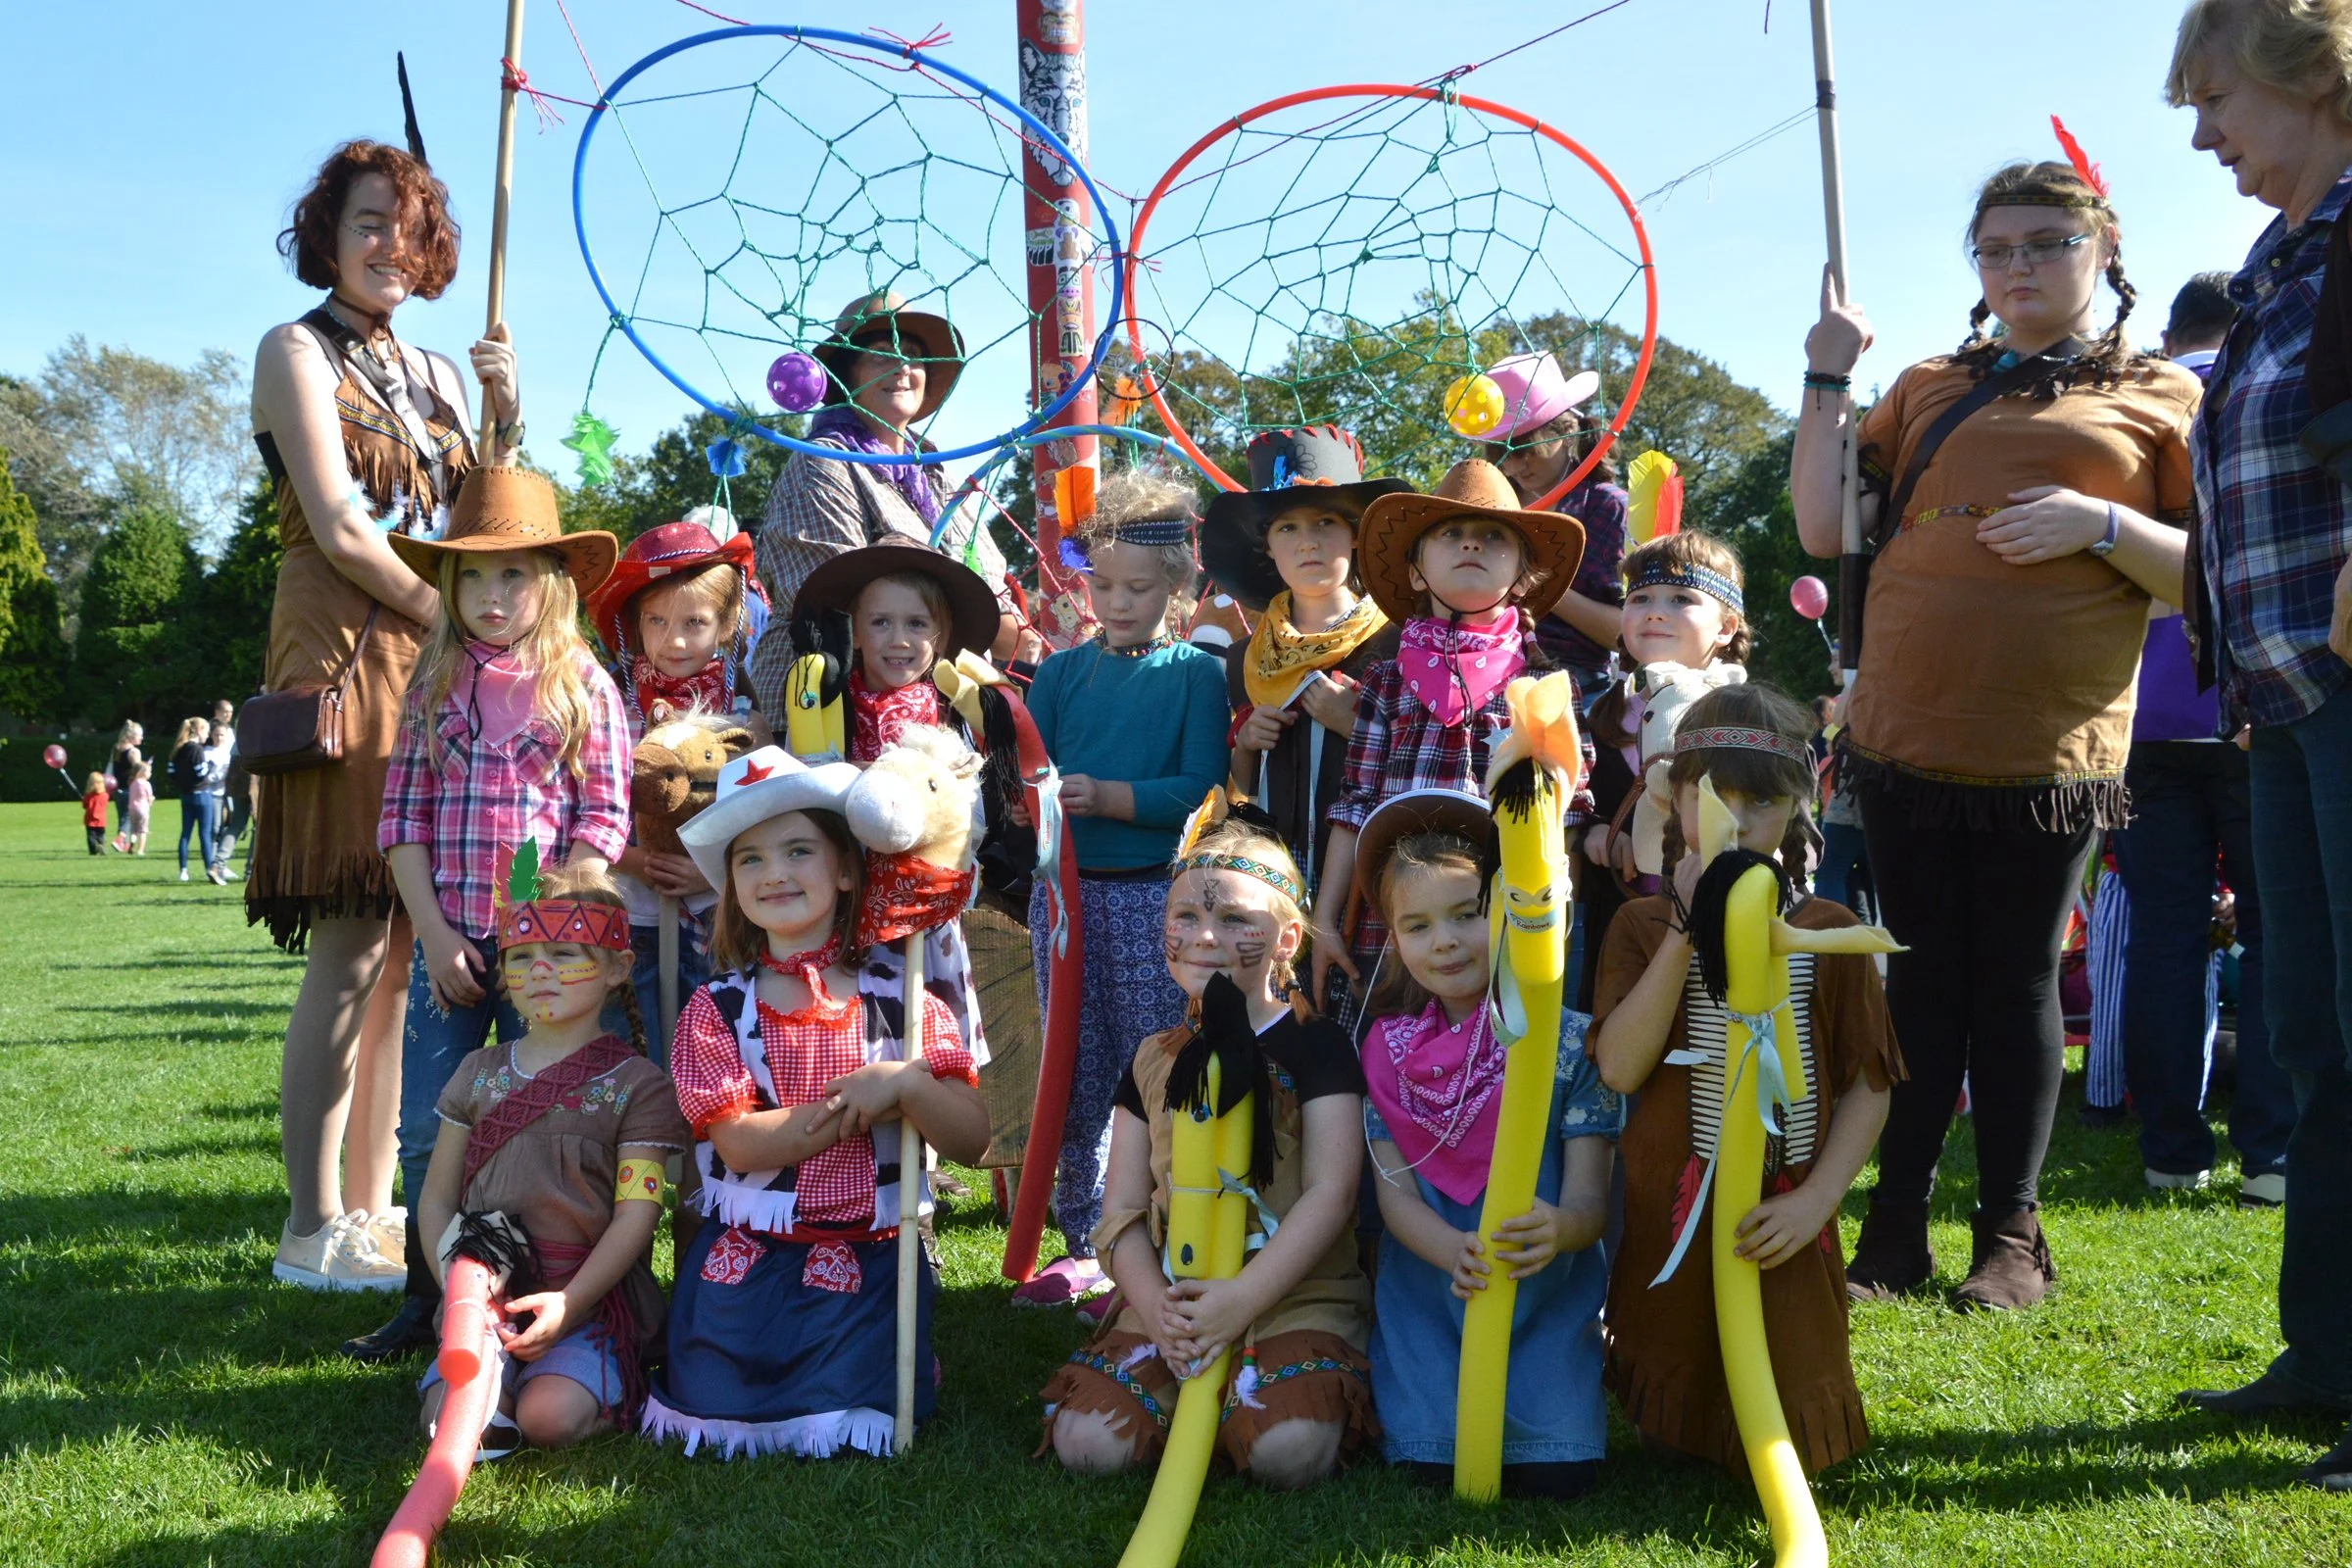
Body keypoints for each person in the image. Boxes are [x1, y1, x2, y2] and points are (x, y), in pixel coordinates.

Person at [1791, 149, 2195, 1309]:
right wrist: (1827, 376)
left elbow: (2201, 576)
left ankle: (2010, 1238)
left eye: (2047, 244)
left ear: (2103, 250)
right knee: (1919, 980)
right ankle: (1895, 1230)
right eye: (1997, 249)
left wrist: (2099, 521)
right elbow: (1825, 528)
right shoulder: (1922, 382)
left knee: (2017, 982)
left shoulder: (2163, 395)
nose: (2018, 266)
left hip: (2050, 747)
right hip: (1904, 733)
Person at [252, 139, 522, 1313]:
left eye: (407, 230)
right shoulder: (293, 350)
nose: (387, 248)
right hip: (349, 653)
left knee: (414, 947)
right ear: (328, 230)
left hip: (440, 659)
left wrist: (504, 422)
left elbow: (478, 520)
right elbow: (345, 525)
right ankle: (310, 1220)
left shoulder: (440, 374)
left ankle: (374, 1208)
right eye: (368, 222)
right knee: (352, 942)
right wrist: (452, 620)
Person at [2166, 0, 2352, 1487]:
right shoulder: (2284, 261)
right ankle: (2330, 1359)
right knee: (2314, 1039)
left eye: (2217, 95)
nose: (2203, 131)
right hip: (2287, 702)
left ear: (2315, 79)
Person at [1592, 683, 1900, 1475]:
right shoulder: (1638, 925)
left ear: (1797, 809)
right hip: (1673, 1210)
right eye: (1713, 797)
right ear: (1676, 800)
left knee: (1797, 1442)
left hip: (1783, 1210)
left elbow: (1871, 1084)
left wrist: (1816, 1201)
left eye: (1758, 802)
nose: (1735, 821)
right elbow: (1622, 1067)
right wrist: (1689, 934)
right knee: (1676, 1440)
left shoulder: (1828, 934)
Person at [646, 747, 987, 1457]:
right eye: (751, 860)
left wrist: (910, 1084)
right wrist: (862, 1101)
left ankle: (897, 1356)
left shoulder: (907, 1004)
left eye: (798, 850)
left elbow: (970, 1141)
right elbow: (738, 1142)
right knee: (715, 1401)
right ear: (732, 885)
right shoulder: (717, 1007)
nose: (774, 873)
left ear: (843, 869)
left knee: (854, 1412)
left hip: (871, 1259)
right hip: (748, 1257)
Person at [368, 466, 629, 1356]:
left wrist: (553, 925)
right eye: (471, 575)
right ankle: (428, 1288)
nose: (490, 594)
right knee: (424, 1124)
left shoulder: (582, 685)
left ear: (552, 581)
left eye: (512, 573)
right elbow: (401, 819)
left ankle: (567, 1285)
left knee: (553, 1114)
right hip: (452, 943)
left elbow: (603, 815)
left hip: (546, 948)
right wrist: (435, 936)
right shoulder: (433, 685)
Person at [1040, 807, 1377, 1489]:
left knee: (1288, 1454)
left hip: (1292, 1294)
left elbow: (1331, 1193)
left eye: (1235, 921)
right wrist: (1159, 1311)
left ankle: (1243, 1403)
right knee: (1085, 1444)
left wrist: (1243, 1298)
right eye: (1186, 918)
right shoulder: (1151, 1059)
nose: (1206, 937)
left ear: (1286, 939)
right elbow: (1123, 1208)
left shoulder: (1318, 1046)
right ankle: (1191, 1393)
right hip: (1174, 1296)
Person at [1354, 789, 1619, 1497]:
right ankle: (1423, 1414)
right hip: (1430, 1297)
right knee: (1426, 1471)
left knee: (1557, 1477)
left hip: (1545, 1301)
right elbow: (1393, 1191)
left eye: (1466, 915)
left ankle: (1549, 1414)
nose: (1444, 941)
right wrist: (1447, 1250)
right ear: (1395, 939)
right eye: (1417, 925)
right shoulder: (1383, 1053)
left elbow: (1593, 1196)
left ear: (1506, 910)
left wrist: (1562, 1227)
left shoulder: (1570, 1043)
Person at [1015, 473, 1232, 1309]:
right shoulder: (1062, 673)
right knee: (1072, 1065)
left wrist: (1110, 798)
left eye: (1137, 588)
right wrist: (1035, 794)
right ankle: (1086, 1243)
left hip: (1153, 898)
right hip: (1066, 900)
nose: (1117, 602)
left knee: (1155, 1064)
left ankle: (1166, 1228)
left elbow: (1204, 792)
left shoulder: (1193, 677)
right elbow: (1030, 778)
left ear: (1177, 585)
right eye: (1101, 584)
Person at [2097, 269, 2290, 1198]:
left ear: (2171, 333)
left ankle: (2172, 1149)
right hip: (2255, 700)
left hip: (2139, 716)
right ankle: (2272, 1150)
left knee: (2164, 938)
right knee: (2277, 929)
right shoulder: (2263, 378)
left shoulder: (2131, 407)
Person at [412, 863, 689, 1451]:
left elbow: (637, 1215)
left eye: (564, 954)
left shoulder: (639, 1087)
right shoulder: (476, 1073)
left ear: (618, 968)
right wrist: (462, 1296)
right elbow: (436, 1199)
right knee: (450, 1419)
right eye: (520, 955)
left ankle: (586, 1383)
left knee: (548, 1420)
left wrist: (569, 1303)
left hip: (587, 1302)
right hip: (482, 1299)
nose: (540, 970)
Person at [1311, 460, 1590, 1028]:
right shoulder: (1386, 679)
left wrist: (1551, 930)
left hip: (1500, 921)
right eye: (1450, 534)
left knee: (1494, 1084)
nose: (1472, 545)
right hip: (1391, 925)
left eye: (1494, 537)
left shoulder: (1542, 686)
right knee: (1380, 1067)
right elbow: (1352, 805)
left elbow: (1568, 816)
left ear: (1521, 576)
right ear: (1416, 572)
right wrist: (1323, 921)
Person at [746, 290, 1008, 718]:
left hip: (939, 714)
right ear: (847, 376)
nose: (903, 368)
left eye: (914, 356)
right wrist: (973, 614)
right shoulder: (822, 463)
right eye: (882, 356)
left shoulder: (938, 476)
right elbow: (838, 602)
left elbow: (996, 591)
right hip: (829, 718)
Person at [585, 518, 768, 1063]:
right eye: (656, 621)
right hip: (630, 913)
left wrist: (711, 870)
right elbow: (582, 805)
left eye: (695, 621)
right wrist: (634, 857)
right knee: (637, 1057)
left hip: (720, 919)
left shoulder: (746, 720)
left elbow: (762, 817)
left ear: (727, 622)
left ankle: (706, 1151)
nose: (675, 640)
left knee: (715, 1052)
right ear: (633, 627)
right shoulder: (612, 709)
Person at [1200, 426, 1409, 898]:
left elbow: (1424, 763)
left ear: (1357, 537)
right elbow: (1242, 789)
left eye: (1325, 524)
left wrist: (1353, 726)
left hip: (1368, 883)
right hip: (1270, 883)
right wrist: (1247, 746)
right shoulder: (1244, 660)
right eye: (1287, 528)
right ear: (1268, 548)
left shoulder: (1398, 646)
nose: (1307, 542)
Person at [1575, 530, 1749, 1011]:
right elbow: (1583, 797)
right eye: (1640, 598)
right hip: (1625, 923)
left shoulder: (1746, 716)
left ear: (1726, 627)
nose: (1655, 611)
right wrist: (1594, 831)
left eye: (1681, 599)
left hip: (1721, 921)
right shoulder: (1598, 717)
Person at [1479, 353, 1630, 701]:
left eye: (1524, 448)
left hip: (1575, 689)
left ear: (1563, 430)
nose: (1515, 465)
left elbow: (1624, 634)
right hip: (1484, 678)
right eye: (1502, 452)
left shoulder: (1605, 505)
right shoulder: (1495, 504)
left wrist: (1540, 583)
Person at [169, 716, 219, 885]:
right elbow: (200, 772)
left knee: (185, 834)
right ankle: (208, 868)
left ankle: (183, 870)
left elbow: (171, 773)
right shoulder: (197, 749)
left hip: (186, 795)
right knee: (205, 834)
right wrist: (211, 765)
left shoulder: (178, 748)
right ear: (198, 731)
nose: (207, 734)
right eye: (205, 730)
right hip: (202, 795)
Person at [198, 720, 235, 885]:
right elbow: (206, 777)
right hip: (213, 794)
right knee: (215, 828)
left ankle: (221, 865)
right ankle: (212, 862)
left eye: (222, 735)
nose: (220, 738)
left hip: (228, 794)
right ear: (211, 735)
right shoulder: (207, 753)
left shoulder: (229, 753)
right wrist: (221, 775)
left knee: (227, 827)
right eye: (217, 735)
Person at [107, 720, 144, 852]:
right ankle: (120, 838)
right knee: (129, 816)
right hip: (130, 788)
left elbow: (111, 766)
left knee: (122, 816)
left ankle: (123, 844)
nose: (141, 738)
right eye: (139, 735)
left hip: (116, 788)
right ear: (131, 736)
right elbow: (139, 770)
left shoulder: (116, 748)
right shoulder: (134, 751)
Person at [124, 761, 154, 858]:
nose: (150, 774)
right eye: (149, 772)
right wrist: (151, 801)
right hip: (143, 809)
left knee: (133, 829)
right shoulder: (146, 784)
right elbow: (149, 797)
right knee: (142, 831)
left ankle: (132, 844)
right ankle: (140, 850)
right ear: (142, 772)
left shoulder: (132, 783)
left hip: (132, 809)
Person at [80, 772, 109, 856]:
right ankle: (101, 845)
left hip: (90, 819)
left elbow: (84, 806)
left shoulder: (88, 796)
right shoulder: (105, 795)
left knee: (91, 836)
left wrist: (84, 799)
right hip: (101, 819)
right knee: (100, 835)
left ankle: (93, 850)